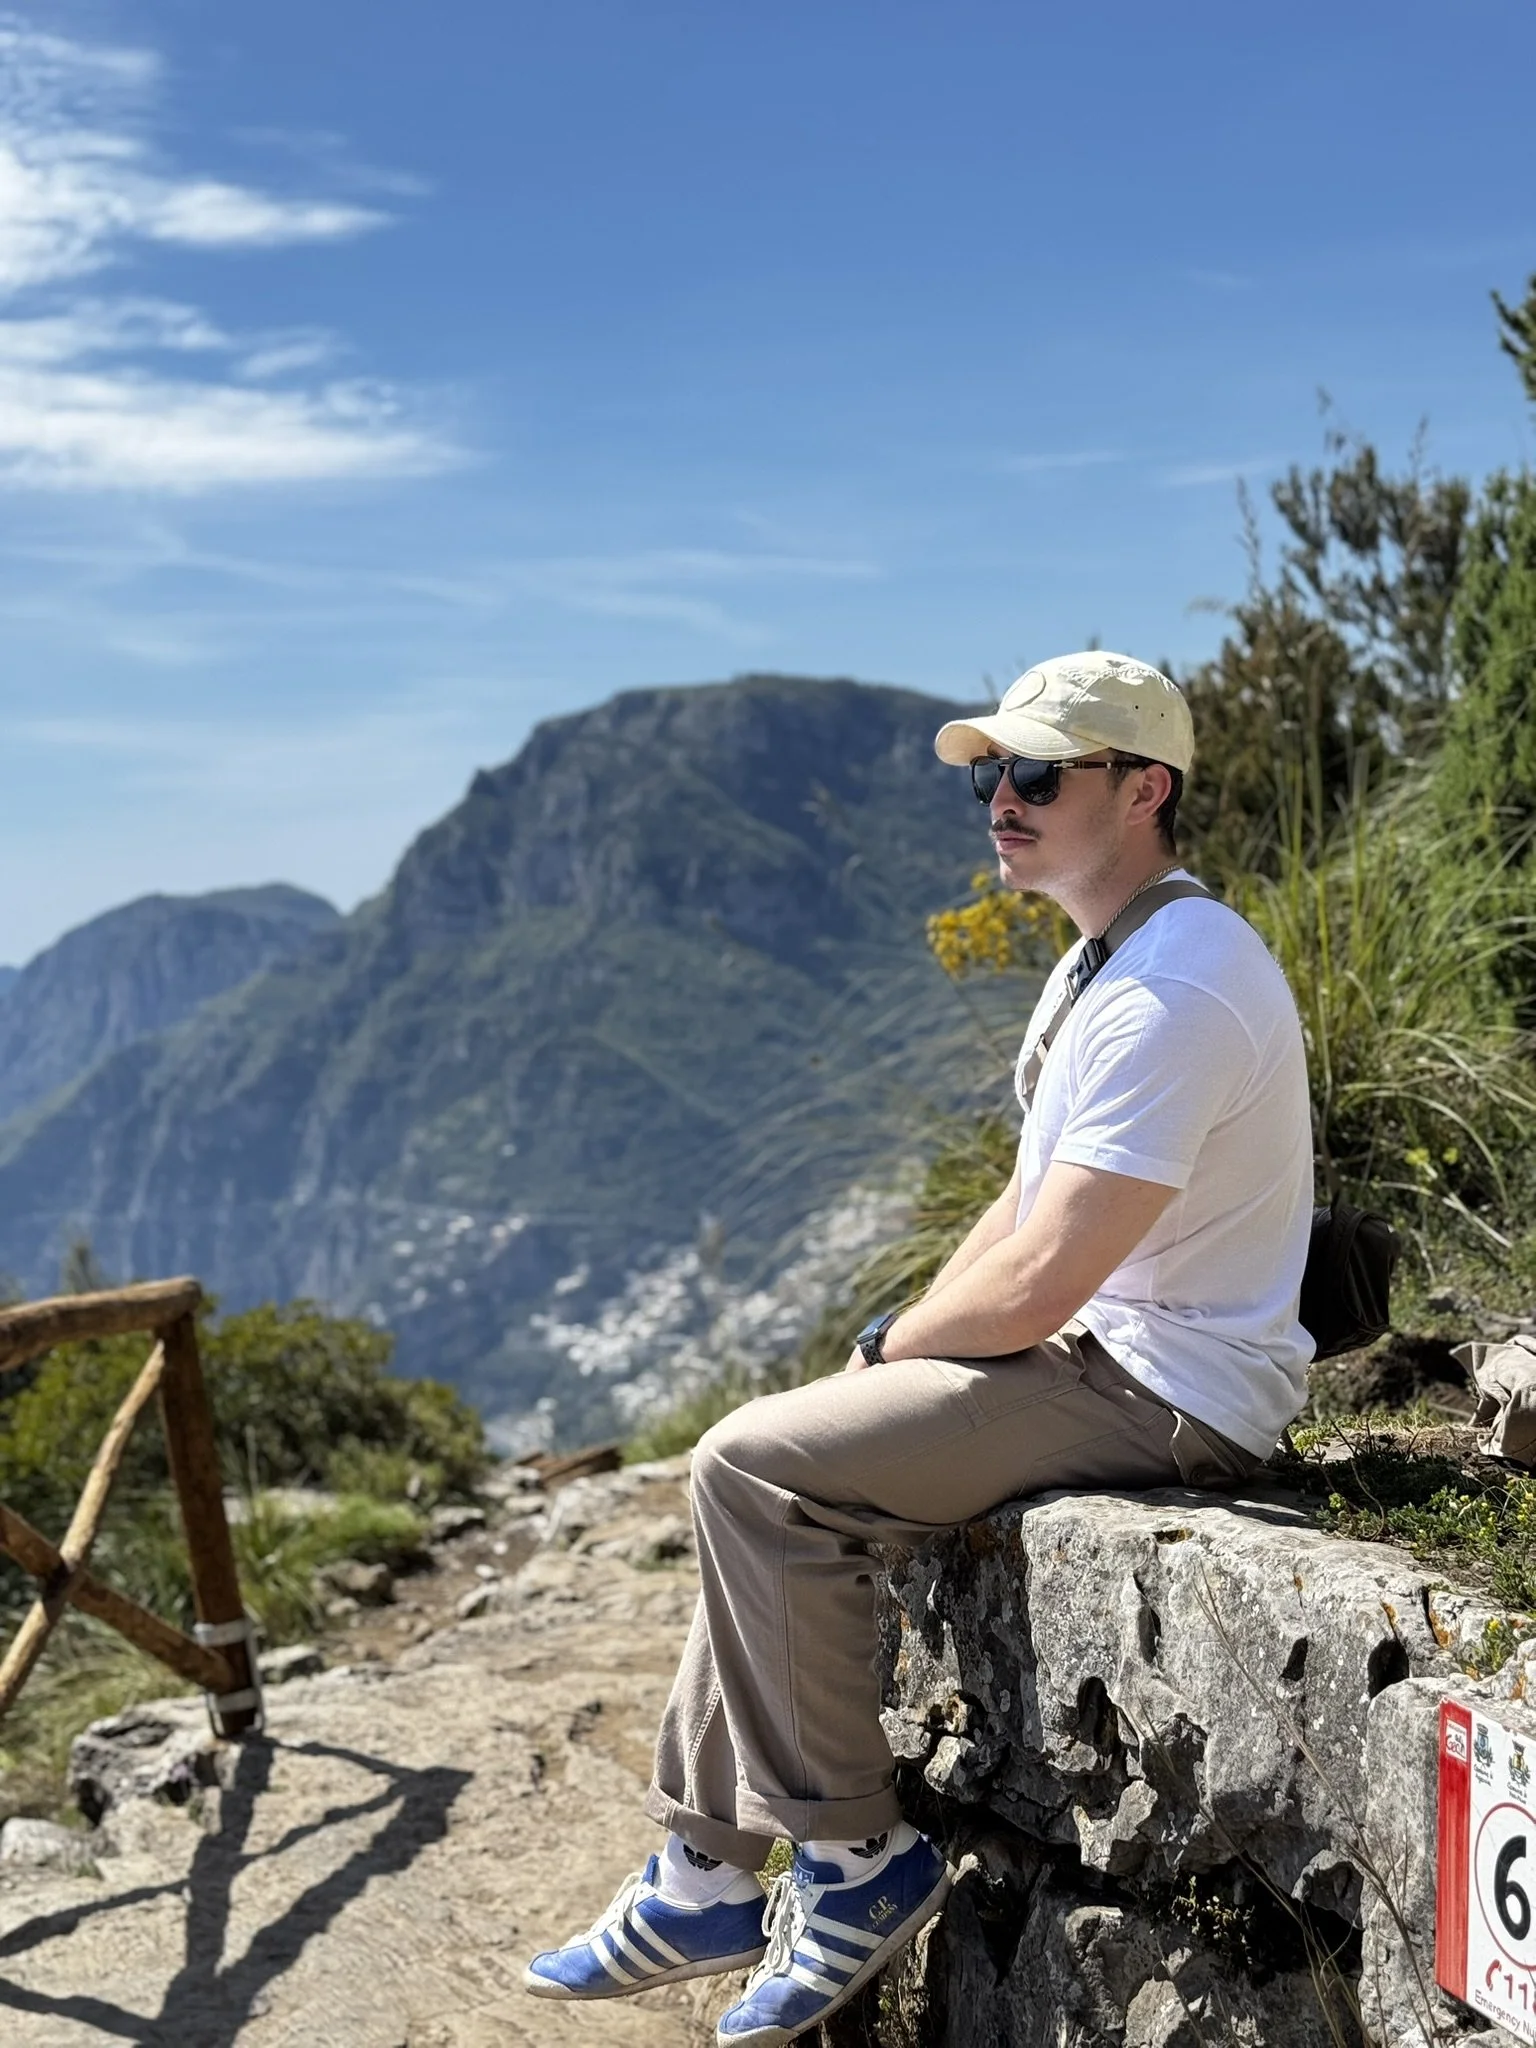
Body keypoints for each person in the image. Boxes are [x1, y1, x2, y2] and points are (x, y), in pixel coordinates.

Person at [522, 650, 1315, 2047]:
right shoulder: (1102, 961)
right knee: (767, 1460)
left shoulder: (1175, 991)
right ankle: (709, 1869)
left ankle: (853, 1860)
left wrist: (893, 1342)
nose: (996, 801)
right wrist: (880, 1370)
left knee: (754, 1470)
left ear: (1147, 791)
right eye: (987, 774)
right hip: (1102, 1356)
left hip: (1170, 1389)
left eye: (1035, 775)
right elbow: (1015, 1216)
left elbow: (1036, 1286)